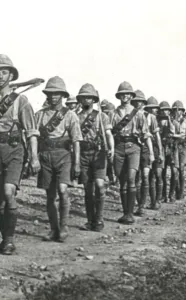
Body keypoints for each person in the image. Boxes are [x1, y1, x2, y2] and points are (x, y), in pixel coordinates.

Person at [0, 54, 40, 255]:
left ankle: (8, 240)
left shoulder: (20, 100)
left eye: (4, 71)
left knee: (8, 192)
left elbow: (31, 131)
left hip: (15, 150)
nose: (0, 75)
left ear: (10, 75)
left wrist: (34, 157)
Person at [35, 76, 82, 242]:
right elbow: (34, 136)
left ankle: (63, 226)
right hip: (46, 156)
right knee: (50, 196)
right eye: (50, 93)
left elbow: (76, 141)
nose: (53, 96)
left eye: (57, 93)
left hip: (63, 156)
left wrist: (76, 164)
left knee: (63, 190)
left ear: (63, 95)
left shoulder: (70, 115)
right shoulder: (39, 115)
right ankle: (53, 228)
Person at [111, 82, 153, 224]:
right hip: (118, 147)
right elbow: (109, 132)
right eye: (122, 94)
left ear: (131, 96)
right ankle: (125, 213)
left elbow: (146, 134)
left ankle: (130, 214)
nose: (125, 96)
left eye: (127, 94)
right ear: (119, 96)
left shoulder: (138, 113)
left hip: (134, 147)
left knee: (131, 178)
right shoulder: (114, 114)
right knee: (122, 181)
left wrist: (151, 153)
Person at [76, 83, 114, 231]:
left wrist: (111, 148)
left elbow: (109, 134)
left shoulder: (101, 117)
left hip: (99, 154)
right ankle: (90, 220)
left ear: (94, 99)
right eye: (84, 97)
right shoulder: (76, 117)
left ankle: (99, 219)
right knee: (88, 189)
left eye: (89, 98)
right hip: (83, 155)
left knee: (100, 185)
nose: (86, 100)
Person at [130, 90, 152, 216]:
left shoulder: (150, 117)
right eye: (136, 101)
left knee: (145, 176)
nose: (138, 104)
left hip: (145, 149)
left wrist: (153, 153)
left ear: (144, 103)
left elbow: (151, 135)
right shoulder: (130, 115)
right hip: (134, 148)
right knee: (136, 178)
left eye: (140, 102)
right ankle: (138, 204)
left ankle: (142, 205)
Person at [144, 96, 164, 210]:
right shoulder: (145, 117)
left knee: (158, 173)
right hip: (147, 148)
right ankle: (153, 201)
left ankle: (158, 200)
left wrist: (160, 152)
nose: (154, 110)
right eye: (151, 108)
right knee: (150, 176)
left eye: (155, 108)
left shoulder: (158, 119)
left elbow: (158, 137)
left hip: (156, 148)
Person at [171, 100, 186, 200]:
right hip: (174, 147)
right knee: (175, 170)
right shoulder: (171, 121)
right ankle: (174, 192)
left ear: (183, 111)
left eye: (180, 110)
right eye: (176, 110)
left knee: (182, 169)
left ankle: (181, 192)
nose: (178, 111)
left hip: (183, 147)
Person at [159, 101, 176, 203]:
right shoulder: (157, 121)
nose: (165, 112)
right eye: (163, 110)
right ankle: (164, 195)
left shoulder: (174, 121)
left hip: (172, 148)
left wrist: (169, 120)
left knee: (174, 172)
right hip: (162, 147)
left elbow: (173, 131)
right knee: (163, 172)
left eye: (167, 110)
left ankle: (171, 194)